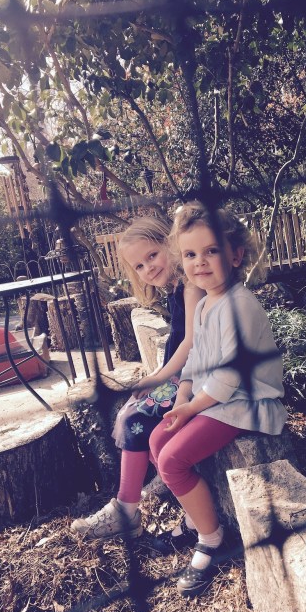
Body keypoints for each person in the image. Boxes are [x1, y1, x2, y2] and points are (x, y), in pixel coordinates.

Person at [148, 202, 287, 597]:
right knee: (157, 440)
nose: (200, 262)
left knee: (172, 460)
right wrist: (183, 394)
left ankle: (212, 539)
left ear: (236, 256)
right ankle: (196, 518)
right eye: (190, 254)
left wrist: (192, 408)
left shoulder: (239, 305)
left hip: (246, 401)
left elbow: (229, 375)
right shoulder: (206, 302)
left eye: (211, 251)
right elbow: (197, 357)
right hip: (216, 398)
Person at [71, 215, 204, 540]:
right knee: (130, 409)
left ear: (170, 244)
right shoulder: (175, 288)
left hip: (198, 377)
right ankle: (134, 500)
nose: (148, 268)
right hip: (184, 373)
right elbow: (177, 343)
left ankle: (127, 510)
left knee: (135, 417)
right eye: (139, 266)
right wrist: (156, 378)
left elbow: (190, 343)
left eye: (152, 255)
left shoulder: (191, 286)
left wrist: (158, 378)